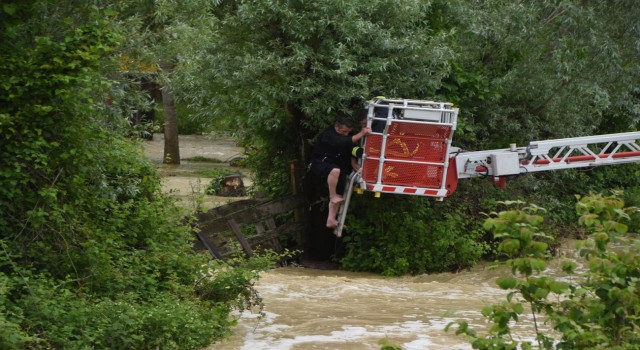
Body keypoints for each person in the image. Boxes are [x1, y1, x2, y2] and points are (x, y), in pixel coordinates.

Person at [310, 117, 371, 229]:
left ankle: (331, 220)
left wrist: (353, 161)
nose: (346, 134)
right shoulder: (329, 134)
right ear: (336, 126)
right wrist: (362, 133)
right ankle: (332, 196)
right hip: (321, 164)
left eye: (348, 132)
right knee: (335, 171)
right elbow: (343, 142)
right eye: (344, 131)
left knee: (340, 192)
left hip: (338, 166)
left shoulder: (347, 135)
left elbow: (351, 147)